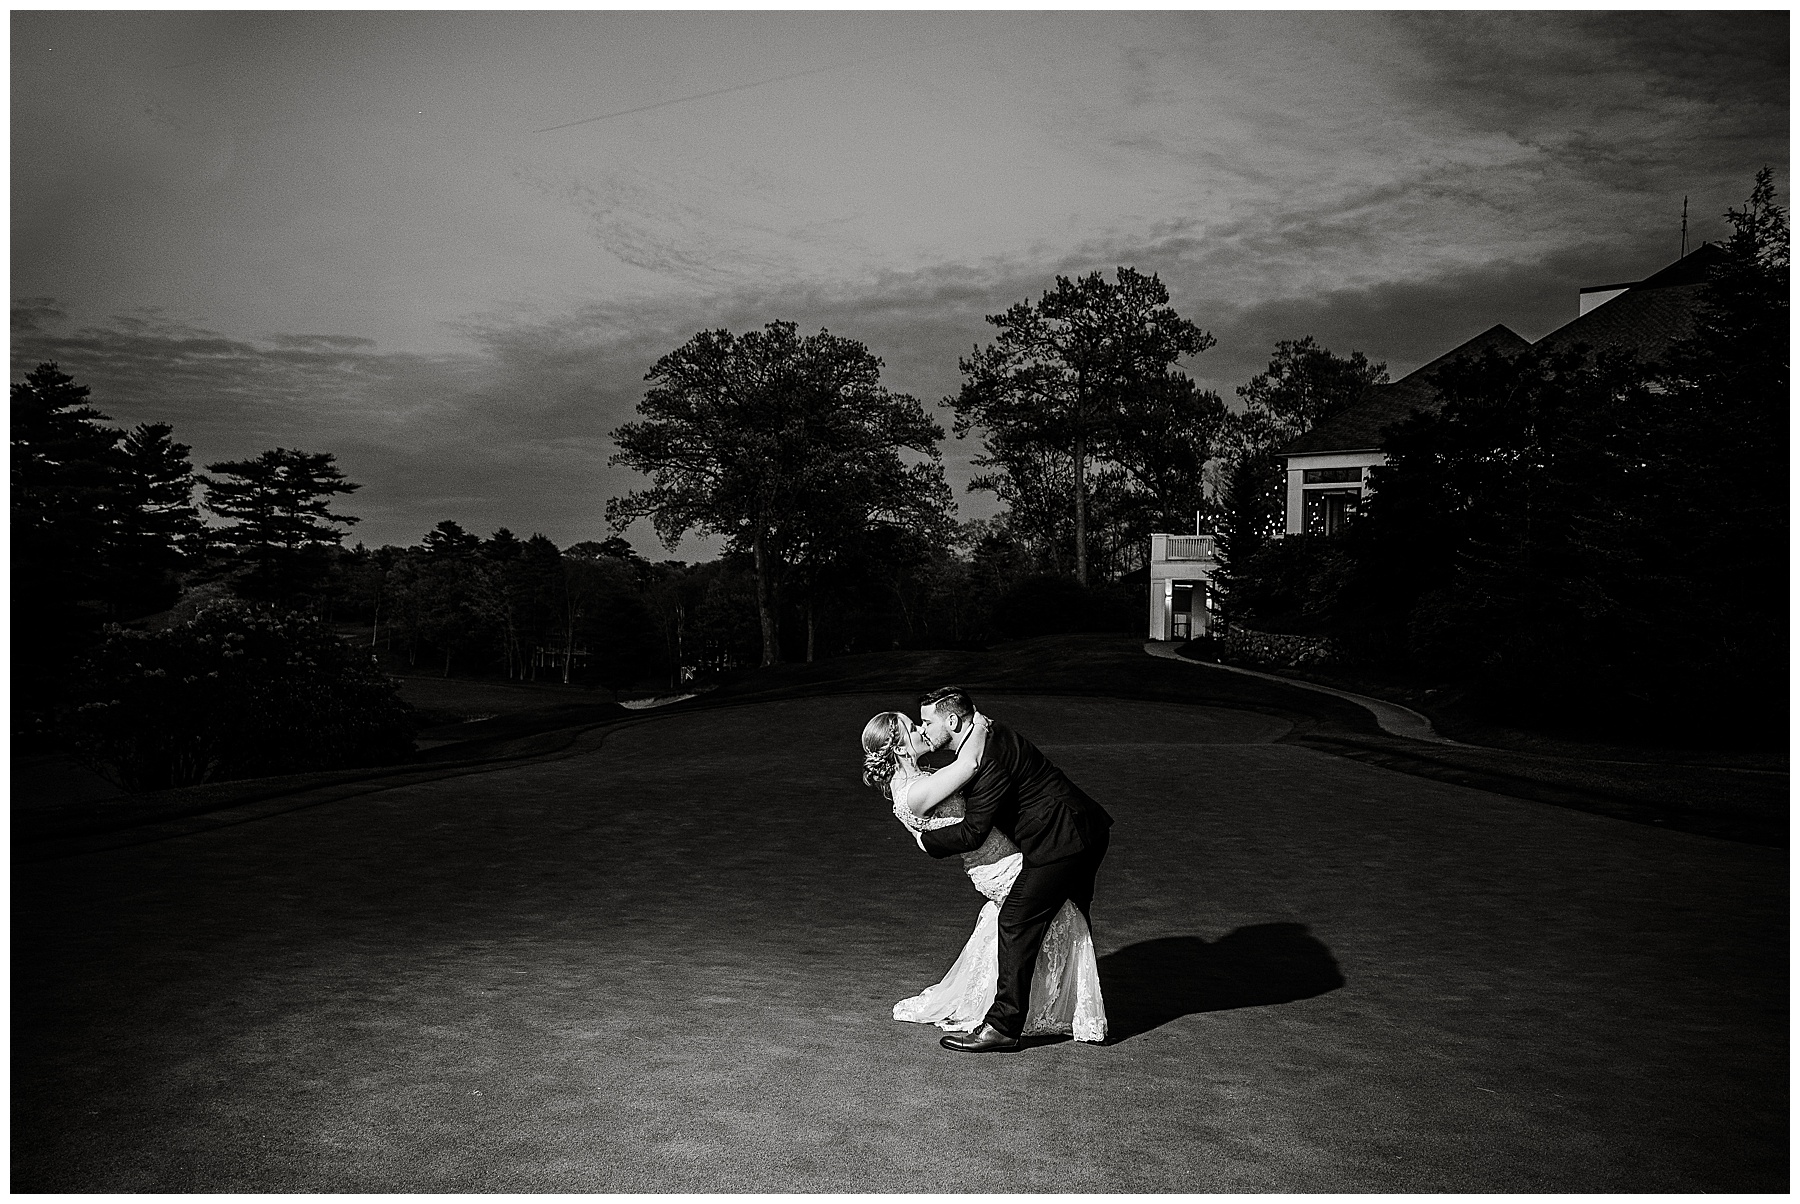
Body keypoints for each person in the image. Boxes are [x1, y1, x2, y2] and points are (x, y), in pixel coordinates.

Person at [859, 690, 1109, 1050]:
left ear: (953, 721)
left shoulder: (935, 771)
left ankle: (1034, 1017)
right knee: (1041, 920)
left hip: (1055, 840)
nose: (922, 730)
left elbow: (973, 792)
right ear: (899, 749)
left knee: (1048, 920)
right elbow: (969, 773)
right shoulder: (917, 789)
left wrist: (977, 725)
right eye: (915, 727)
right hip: (1005, 861)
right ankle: (1028, 1019)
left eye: (924, 723)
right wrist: (979, 726)